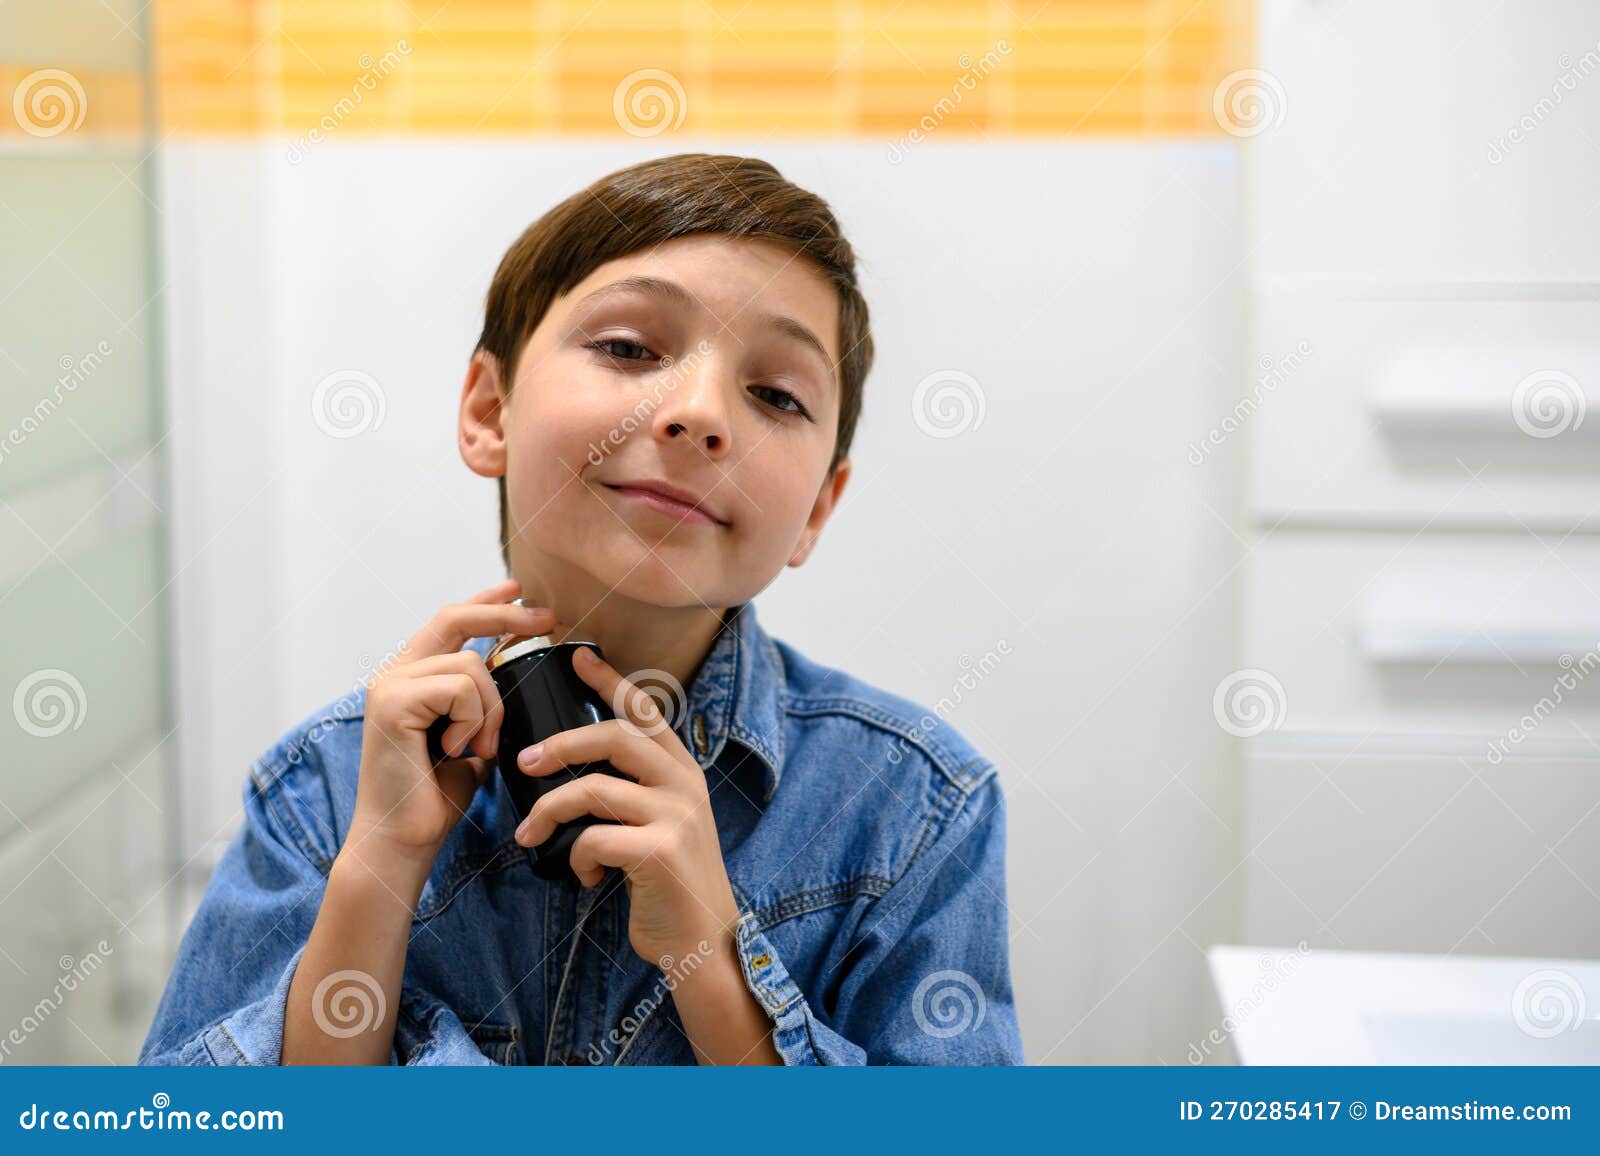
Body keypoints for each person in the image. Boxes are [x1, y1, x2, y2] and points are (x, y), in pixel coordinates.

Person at [139, 153, 1022, 1066]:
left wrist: (711, 962)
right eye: (631, 348)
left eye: (776, 394)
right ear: (490, 409)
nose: (701, 413)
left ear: (816, 511)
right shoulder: (319, 794)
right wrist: (376, 872)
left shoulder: (915, 808)